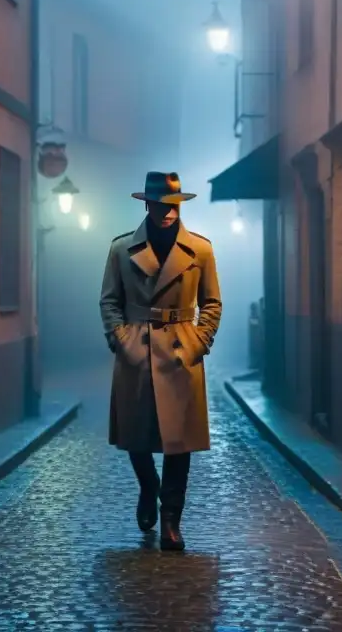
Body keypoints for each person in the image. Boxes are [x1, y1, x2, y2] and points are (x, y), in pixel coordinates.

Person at [99, 171, 222, 551]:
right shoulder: (122, 249)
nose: (166, 212)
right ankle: (148, 485)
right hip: (138, 347)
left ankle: (171, 518)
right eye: (159, 205)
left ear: (179, 205)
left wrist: (198, 342)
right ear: (146, 204)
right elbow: (109, 300)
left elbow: (212, 303)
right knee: (137, 434)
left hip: (181, 351)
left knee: (178, 440)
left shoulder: (200, 250)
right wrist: (122, 340)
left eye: (172, 205)